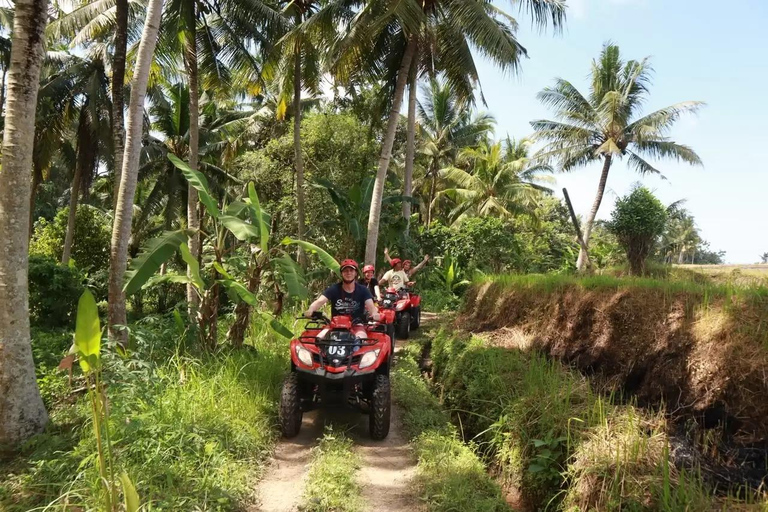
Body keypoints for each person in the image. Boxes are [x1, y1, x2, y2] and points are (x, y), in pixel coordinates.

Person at [305, 259, 381, 327]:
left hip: (356, 325)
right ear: (341, 273)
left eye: (351, 270)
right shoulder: (334, 289)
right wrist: (311, 309)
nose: (348, 273)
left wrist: (374, 313)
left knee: (361, 336)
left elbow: (371, 306)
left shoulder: (363, 290)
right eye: (345, 271)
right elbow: (320, 301)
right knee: (320, 336)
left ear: (355, 273)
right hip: (335, 325)